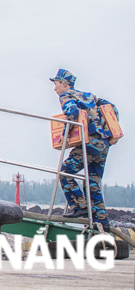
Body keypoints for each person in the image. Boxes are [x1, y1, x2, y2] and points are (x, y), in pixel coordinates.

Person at [52, 69, 116, 227]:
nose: (55, 89)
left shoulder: (66, 95)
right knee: (93, 181)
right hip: (103, 144)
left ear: (64, 84)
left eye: (56, 84)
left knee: (65, 172)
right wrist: (112, 133)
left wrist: (65, 135)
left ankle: (80, 206)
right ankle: (102, 221)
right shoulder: (89, 96)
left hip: (90, 143)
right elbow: (111, 108)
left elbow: (72, 113)